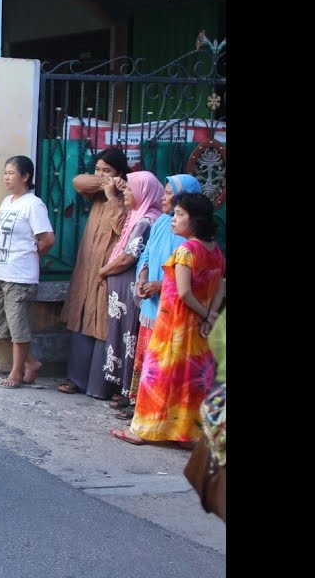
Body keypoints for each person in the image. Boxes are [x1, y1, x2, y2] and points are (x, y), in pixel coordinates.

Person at [110, 192, 224, 446]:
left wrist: (206, 313)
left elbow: (183, 292)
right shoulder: (214, 250)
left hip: (174, 323)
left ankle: (141, 430)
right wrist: (210, 315)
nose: (173, 219)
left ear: (195, 221)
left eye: (180, 215)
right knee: (191, 379)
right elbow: (221, 286)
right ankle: (188, 433)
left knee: (158, 375)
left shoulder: (186, 250)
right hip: (198, 328)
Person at [125, 174, 204, 420]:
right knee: (147, 357)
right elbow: (147, 253)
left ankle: (156, 413)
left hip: (171, 307)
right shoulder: (162, 222)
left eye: (169, 193)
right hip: (151, 302)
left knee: (164, 363)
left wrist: (160, 285)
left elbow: (191, 276)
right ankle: (139, 403)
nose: (164, 197)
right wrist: (143, 277)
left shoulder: (190, 235)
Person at [57, 147, 130, 398]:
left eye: (107, 170)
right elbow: (78, 181)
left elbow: (123, 230)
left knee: (102, 323)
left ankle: (100, 386)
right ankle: (75, 379)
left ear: (121, 173)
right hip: (86, 268)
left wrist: (114, 195)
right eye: (98, 169)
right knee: (82, 316)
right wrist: (106, 182)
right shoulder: (96, 192)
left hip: (108, 271)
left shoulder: (126, 198)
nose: (100, 174)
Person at [0, 156, 55, 388]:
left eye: (11, 173)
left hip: (19, 276)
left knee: (18, 327)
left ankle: (16, 372)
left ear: (25, 177)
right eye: (5, 172)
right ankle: (32, 362)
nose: (6, 177)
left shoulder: (33, 204)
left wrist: (29, 257)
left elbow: (47, 239)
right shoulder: (8, 202)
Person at [99, 171, 164, 407]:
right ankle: (123, 388)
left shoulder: (147, 220)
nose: (125, 192)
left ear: (142, 191)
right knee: (122, 338)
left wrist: (103, 271)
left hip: (130, 290)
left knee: (130, 338)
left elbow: (130, 256)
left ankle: (129, 391)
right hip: (122, 292)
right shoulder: (136, 216)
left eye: (129, 189)